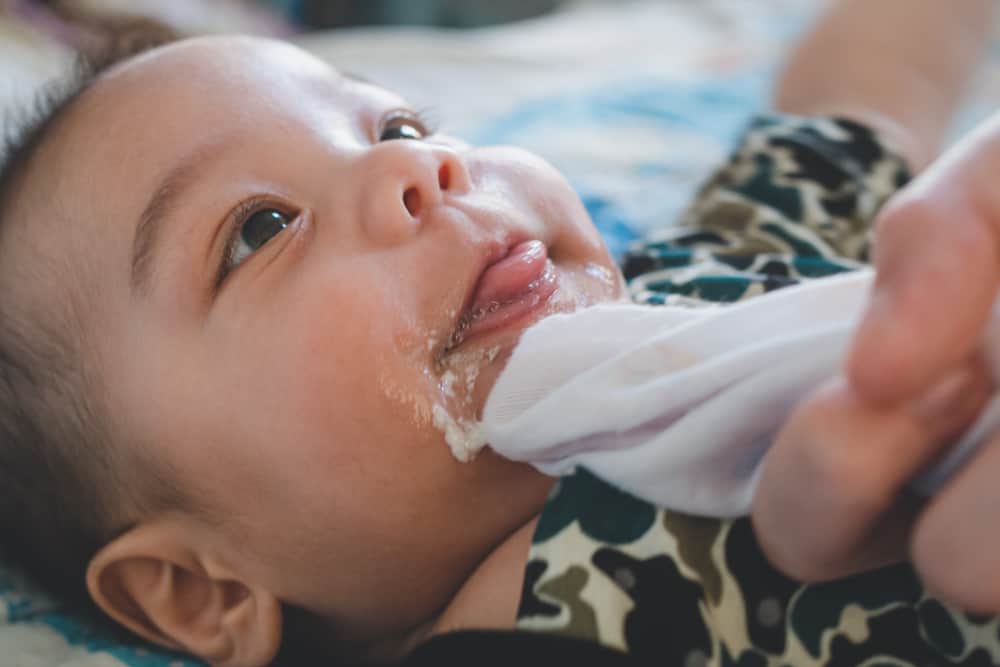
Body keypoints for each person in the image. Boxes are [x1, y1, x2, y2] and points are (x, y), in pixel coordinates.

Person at [0, 1, 996, 665]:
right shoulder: (519, 627)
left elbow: (857, 103)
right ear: (196, 592)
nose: (417, 171)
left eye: (394, 127)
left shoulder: (706, 273)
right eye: (260, 228)